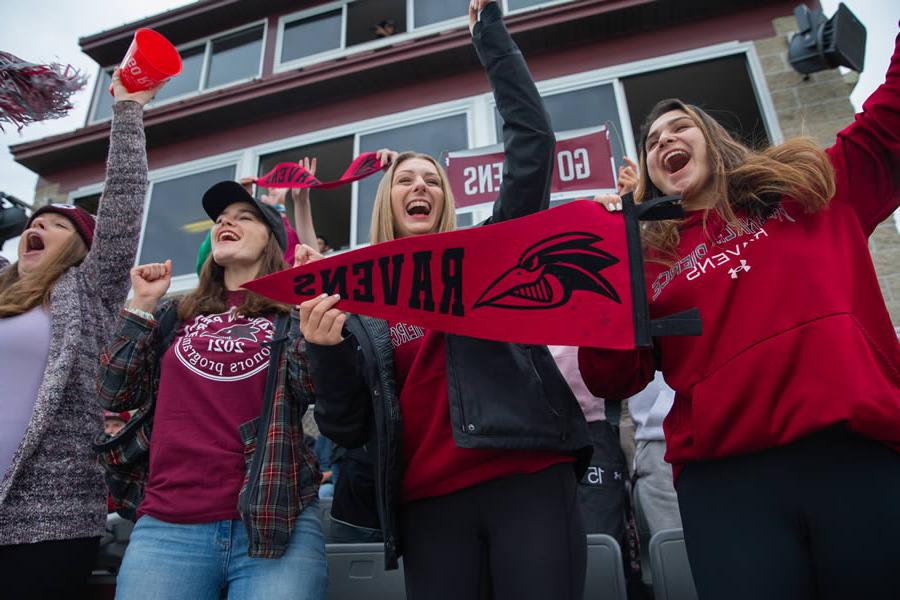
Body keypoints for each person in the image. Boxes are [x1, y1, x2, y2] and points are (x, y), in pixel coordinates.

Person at [579, 26, 900, 600]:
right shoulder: (648, 265)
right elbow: (611, 376)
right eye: (652, 142)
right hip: (725, 486)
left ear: (715, 139)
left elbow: (891, 120)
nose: (663, 141)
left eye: (680, 128)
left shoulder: (812, 190)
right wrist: (609, 271)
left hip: (855, 456)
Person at [301, 2, 591, 599]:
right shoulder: (358, 301)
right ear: (388, 202)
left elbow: (533, 143)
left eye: (433, 180)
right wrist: (324, 351)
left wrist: (490, 35)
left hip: (524, 473)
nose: (421, 187)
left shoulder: (488, 253)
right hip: (427, 506)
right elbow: (347, 428)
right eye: (406, 179)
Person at [97, 181, 327, 599]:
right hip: (167, 523)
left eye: (244, 217)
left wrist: (313, 305)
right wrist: (141, 306)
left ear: (272, 241)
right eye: (220, 219)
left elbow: (318, 389)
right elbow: (114, 394)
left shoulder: (289, 315)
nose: (226, 221)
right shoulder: (174, 312)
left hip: (273, 520)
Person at [0, 70, 158, 598]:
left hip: (46, 519)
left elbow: (122, 207)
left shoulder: (87, 291)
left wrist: (128, 111)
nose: (35, 228)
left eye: (54, 224)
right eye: (31, 224)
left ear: (83, 249)